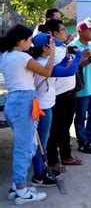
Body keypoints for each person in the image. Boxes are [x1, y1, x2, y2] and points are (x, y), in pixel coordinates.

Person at [1, 25, 55, 205]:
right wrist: (53, 53)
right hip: (24, 103)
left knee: (27, 146)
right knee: (23, 150)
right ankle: (22, 191)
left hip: (14, 102)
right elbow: (47, 72)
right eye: (29, 40)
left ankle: (17, 186)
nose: (31, 43)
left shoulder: (6, 56)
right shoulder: (22, 57)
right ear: (20, 40)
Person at [29, 33, 82, 186]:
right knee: (42, 142)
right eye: (52, 45)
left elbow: (58, 67)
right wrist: (77, 57)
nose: (55, 47)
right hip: (43, 106)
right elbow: (68, 72)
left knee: (42, 141)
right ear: (46, 48)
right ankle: (39, 174)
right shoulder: (42, 63)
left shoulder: (43, 61)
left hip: (46, 104)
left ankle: (41, 170)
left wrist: (66, 58)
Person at [39, 20, 85, 167]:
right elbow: (65, 70)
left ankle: (66, 156)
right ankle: (53, 161)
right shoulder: (50, 52)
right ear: (53, 34)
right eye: (63, 29)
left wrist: (69, 57)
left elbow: (64, 65)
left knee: (65, 127)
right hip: (58, 95)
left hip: (69, 94)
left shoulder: (62, 48)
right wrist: (78, 57)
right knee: (56, 129)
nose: (66, 31)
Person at [69, 20, 91, 154]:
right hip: (82, 88)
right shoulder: (73, 46)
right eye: (90, 31)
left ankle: (90, 139)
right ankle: (82, 142)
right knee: (81, 116)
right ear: (81, 32)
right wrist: (87, 60)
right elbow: (74, 66)